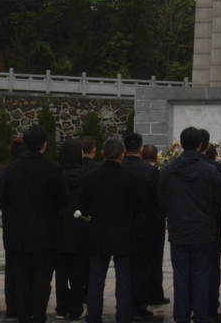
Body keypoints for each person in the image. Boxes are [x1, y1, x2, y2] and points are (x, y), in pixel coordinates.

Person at [0, 125, 68, 323]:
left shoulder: (10, 170)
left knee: (21, 278)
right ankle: (38, 315)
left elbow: (3, 200)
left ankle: (23, 315)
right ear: (44, 146)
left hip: (18, 234)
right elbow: (63, 200)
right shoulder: (53, 170)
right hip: (46, 234)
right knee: (42, 279)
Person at [158, 126, 221, 323]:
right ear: (201, 145)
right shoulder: (211, 171)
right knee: (202, 275)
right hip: (203, 231)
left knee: (181, 276)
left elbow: (162, 202)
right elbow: (220, 202)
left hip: (179, 230)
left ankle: (181, 315)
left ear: (180, 144)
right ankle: (201, 316)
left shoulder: (169, 170)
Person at [82, 138, 142, 323]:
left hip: (98, 233)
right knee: (124, 279)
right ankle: (123, 316)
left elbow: (85, 207)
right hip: (124, 234)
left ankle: (94, 316)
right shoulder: (131, 178)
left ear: (102, 153)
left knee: (96, 280)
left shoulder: (90, 177)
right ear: (122, 154)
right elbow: (138, 208)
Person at [120, 132, 160, 320]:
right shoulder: (150, 172)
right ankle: (139, 306)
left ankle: (124, 305)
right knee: (142, 268)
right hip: (144, 227)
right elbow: (158, 202)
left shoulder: (118, 168)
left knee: (123, 268)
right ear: (141, 150)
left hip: (121, 226)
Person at [54, 140, 90, 322]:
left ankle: (61, 308)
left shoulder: (56, 174)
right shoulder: (87, 175)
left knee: (60, 271)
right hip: (80, 227)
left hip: (59, 226)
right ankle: (76, 307)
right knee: (78, 271)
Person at [198, 131, 221, 323]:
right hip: (213, 222)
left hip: (187, 225)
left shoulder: (174, 167)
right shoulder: (215, 167)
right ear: (206, 146)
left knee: (189, 267)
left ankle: (193, 302)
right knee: (212, 265)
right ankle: (210, 303)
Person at [140, 145, 169, 307]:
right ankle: (155, 294)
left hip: (138, 222)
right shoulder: (155, 173)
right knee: (155, 261)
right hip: (155, 223)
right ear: (156, 158)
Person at [3, 139, 27, 320]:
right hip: (31, 229)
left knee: (11, 270)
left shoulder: (7, 172)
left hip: (12, 227)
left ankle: (12, 307)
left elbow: (2, 200)